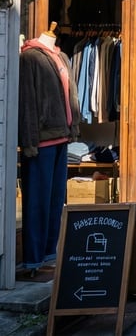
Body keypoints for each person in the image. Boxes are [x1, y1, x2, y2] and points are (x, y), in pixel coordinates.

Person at [18, 27, 80, 276]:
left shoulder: (61, 56)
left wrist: (73, 126)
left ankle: (50, 253)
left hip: (61, 137)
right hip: (42, 139)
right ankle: (33, 258)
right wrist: (29, 140)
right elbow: (27, 101)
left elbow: (72, 95)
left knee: (55, 200)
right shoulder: (30, 58)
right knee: (37, 201)